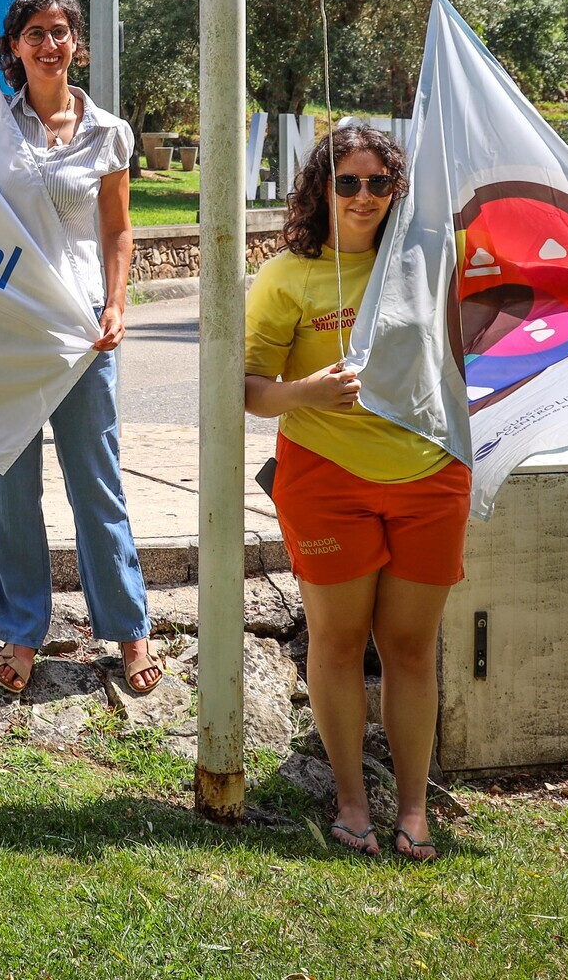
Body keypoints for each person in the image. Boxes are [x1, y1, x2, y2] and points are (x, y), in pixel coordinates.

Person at [246, 126, 466, 862]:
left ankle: (413, 809)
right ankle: (349, 802)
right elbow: (246, 389)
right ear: (322, 188)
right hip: (325, 480)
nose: (364, 196)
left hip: (431, 479)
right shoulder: (287, 278)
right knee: (338, 642)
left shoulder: (430, 264)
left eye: (380, 183)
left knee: (408, 647)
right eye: (348, 182)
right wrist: (306, 391)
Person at [0, 0, 162, 701]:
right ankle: (22, 630)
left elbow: (118, 231)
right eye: (35, 32)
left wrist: (117, 306)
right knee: (9, 489)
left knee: (97, 484)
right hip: (9, 332)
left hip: (86, 330)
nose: (50, 44)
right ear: (15, 48)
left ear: (76, 42)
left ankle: (129, 630)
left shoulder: (109, 133)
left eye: (61, 31)